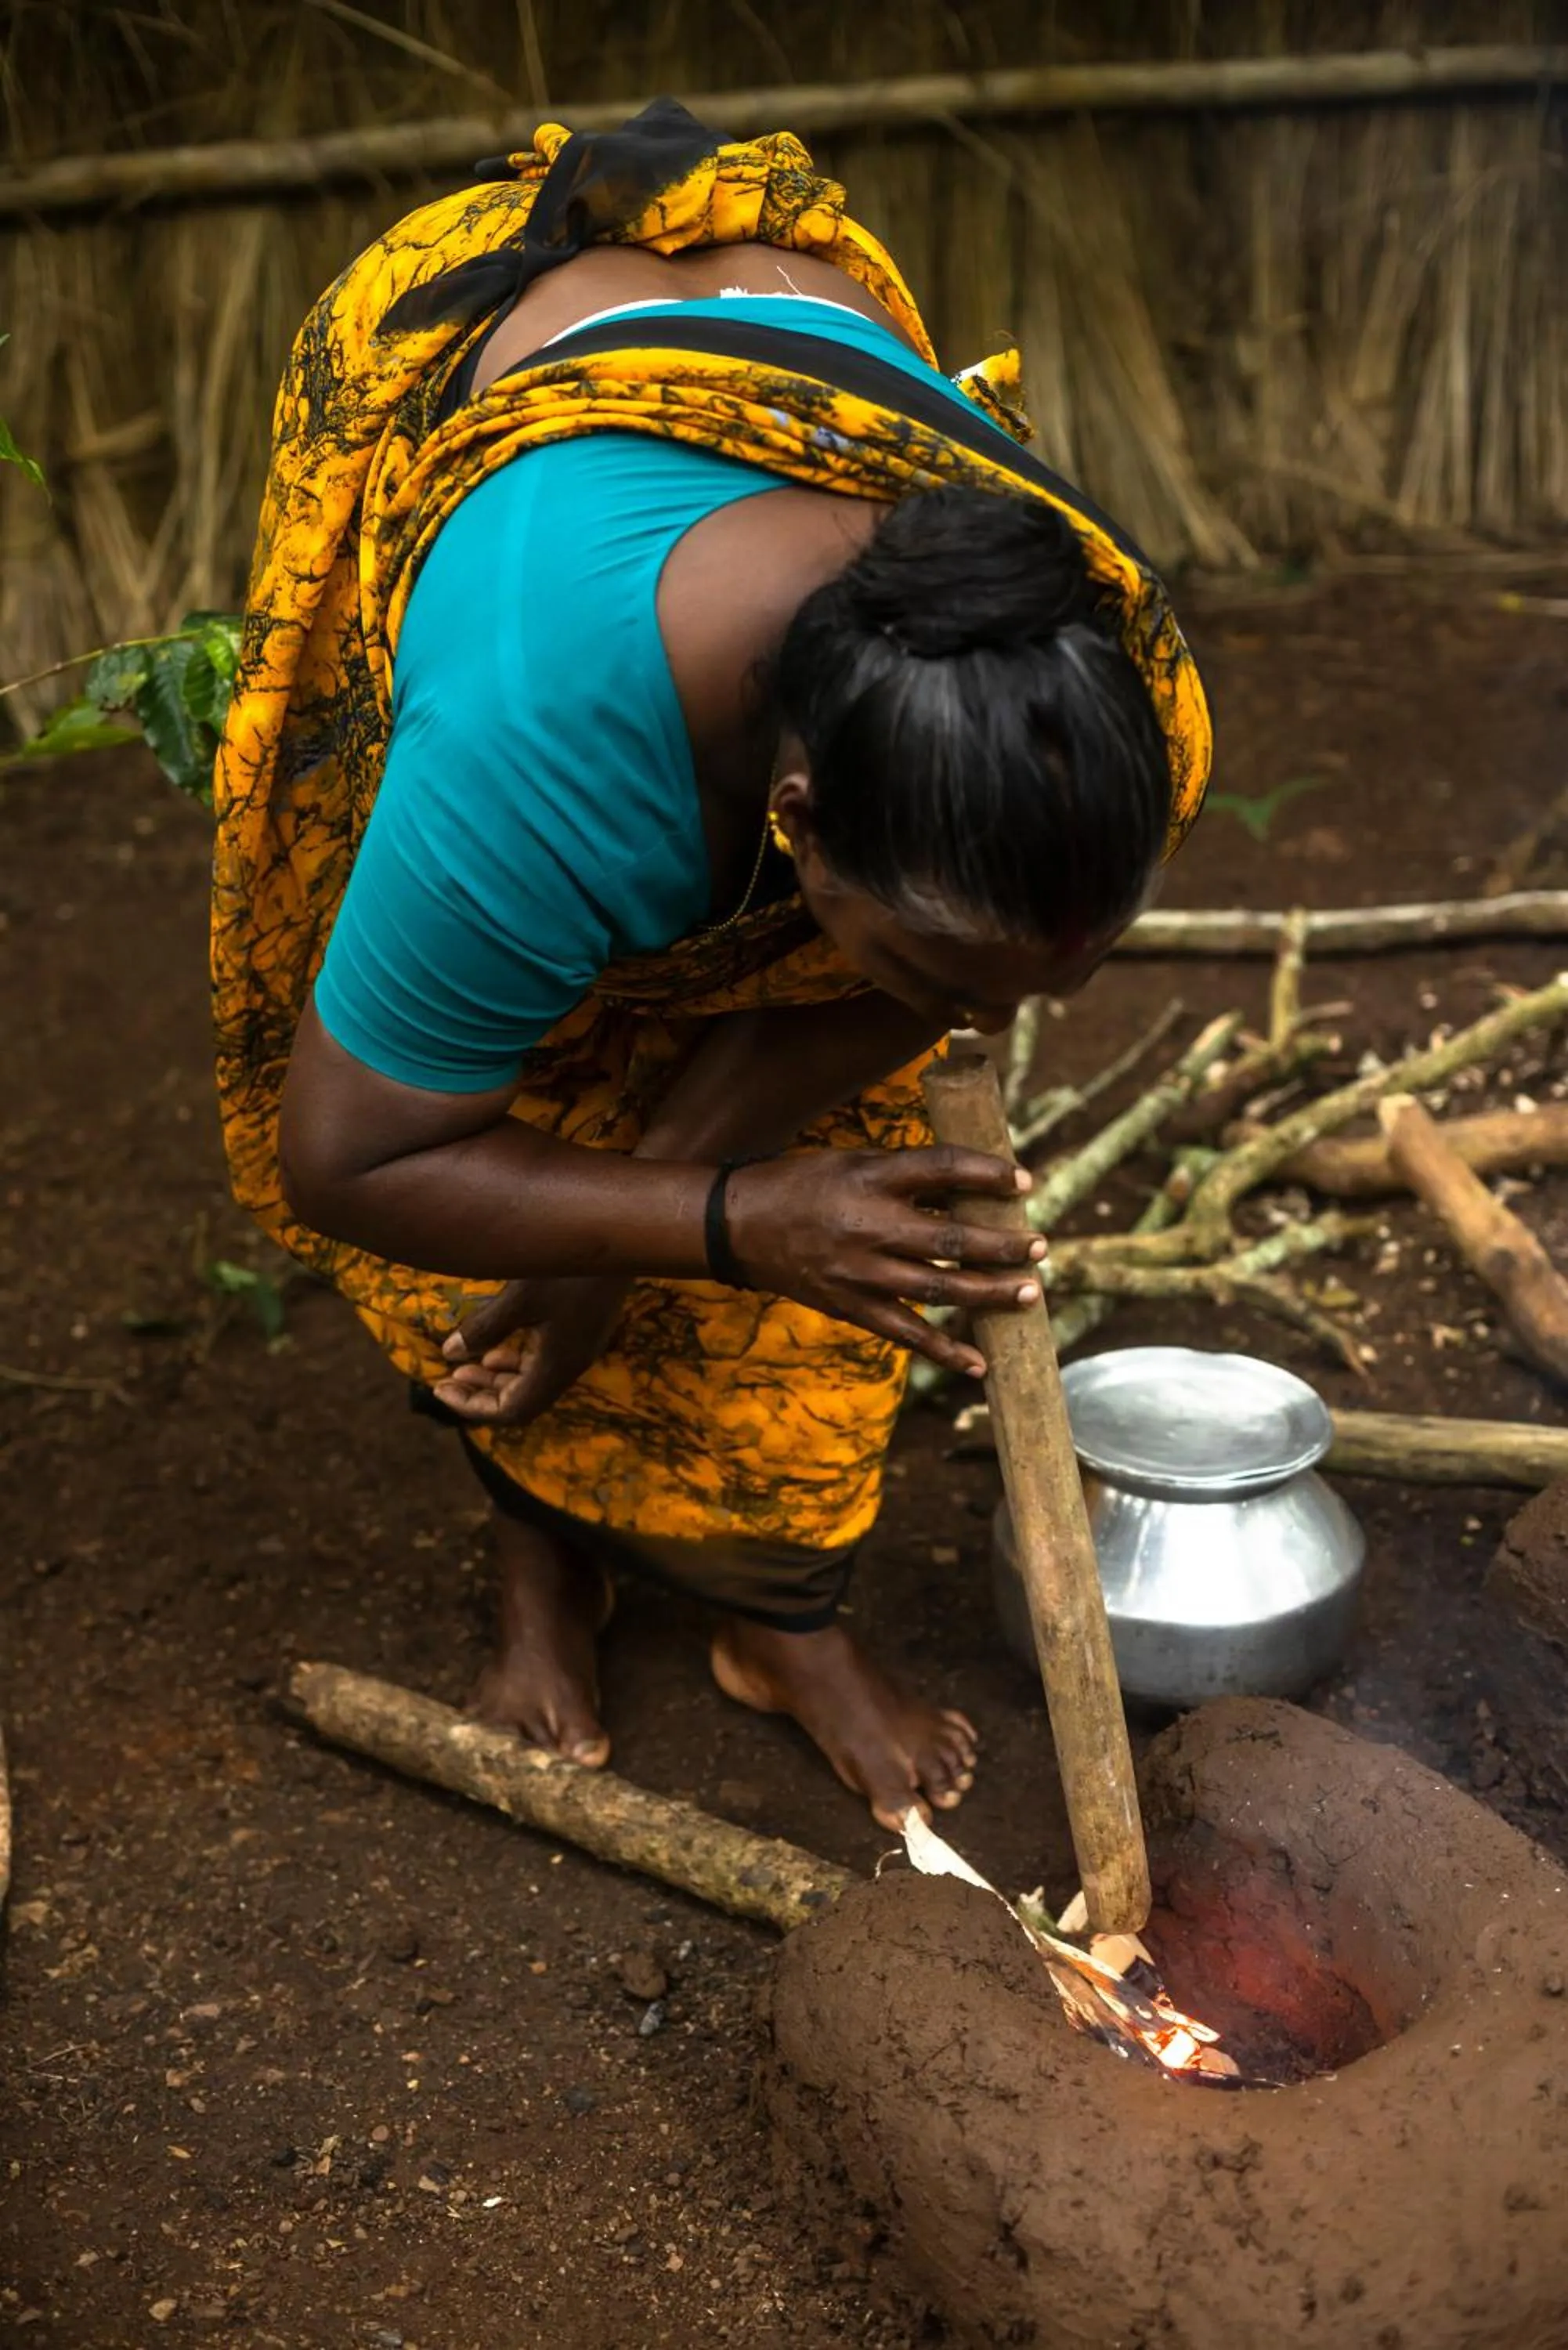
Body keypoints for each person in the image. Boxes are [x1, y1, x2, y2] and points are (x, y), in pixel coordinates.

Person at [212, 102, 1211, 1831]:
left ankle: (775, 1623)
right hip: (474, 399)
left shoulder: (1087, 696)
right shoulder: (536, 750)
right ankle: (544, 1572)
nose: (973, 1025)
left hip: (733, 409)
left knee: (738, 1185)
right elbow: (359, 1153)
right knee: (535, 1109)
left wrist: (664, 1210)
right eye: (942, 965)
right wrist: (730, 1221)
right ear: (794, 820)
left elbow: (878, 1002)